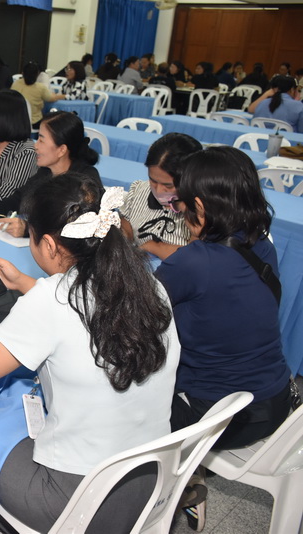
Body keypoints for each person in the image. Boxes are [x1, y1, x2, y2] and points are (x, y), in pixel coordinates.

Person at [0, 174, 179, 533]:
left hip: (79, 502)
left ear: (48, 244)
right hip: (151, 482)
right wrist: (26, 284)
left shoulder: (50, 300)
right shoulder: (148, 284)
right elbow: (87, 308)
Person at [156, 147, 293, 531]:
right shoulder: (262, 246)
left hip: (219, 419)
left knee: (127, 391)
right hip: (277, 404)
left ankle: (179, 487)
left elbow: (138, 311)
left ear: (199, 206)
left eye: (180, 203)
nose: (178, 211)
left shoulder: (192, 262)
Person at [0, 111, 101, 237]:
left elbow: (78, 224)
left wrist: (29, 230)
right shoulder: (45, 172)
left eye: (41, 140)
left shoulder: (85, 181)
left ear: (61, 150)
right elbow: (21, 198)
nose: (35, 146)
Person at [120, 133, 202, 260]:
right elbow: (126, 224)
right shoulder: (139, 189)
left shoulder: (202, 209)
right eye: (152, 180)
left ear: (190, 178)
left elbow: (196, 256)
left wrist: (153, 247)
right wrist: (122, 236)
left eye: (168, 186)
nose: (158, 190)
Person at [11, 62, 63, 128]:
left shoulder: (16, 83)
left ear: (22, 73)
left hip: (15, 120)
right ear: (37, 74)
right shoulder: (40, 88)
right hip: (34, 122)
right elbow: (52, 98)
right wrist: (64, 96)